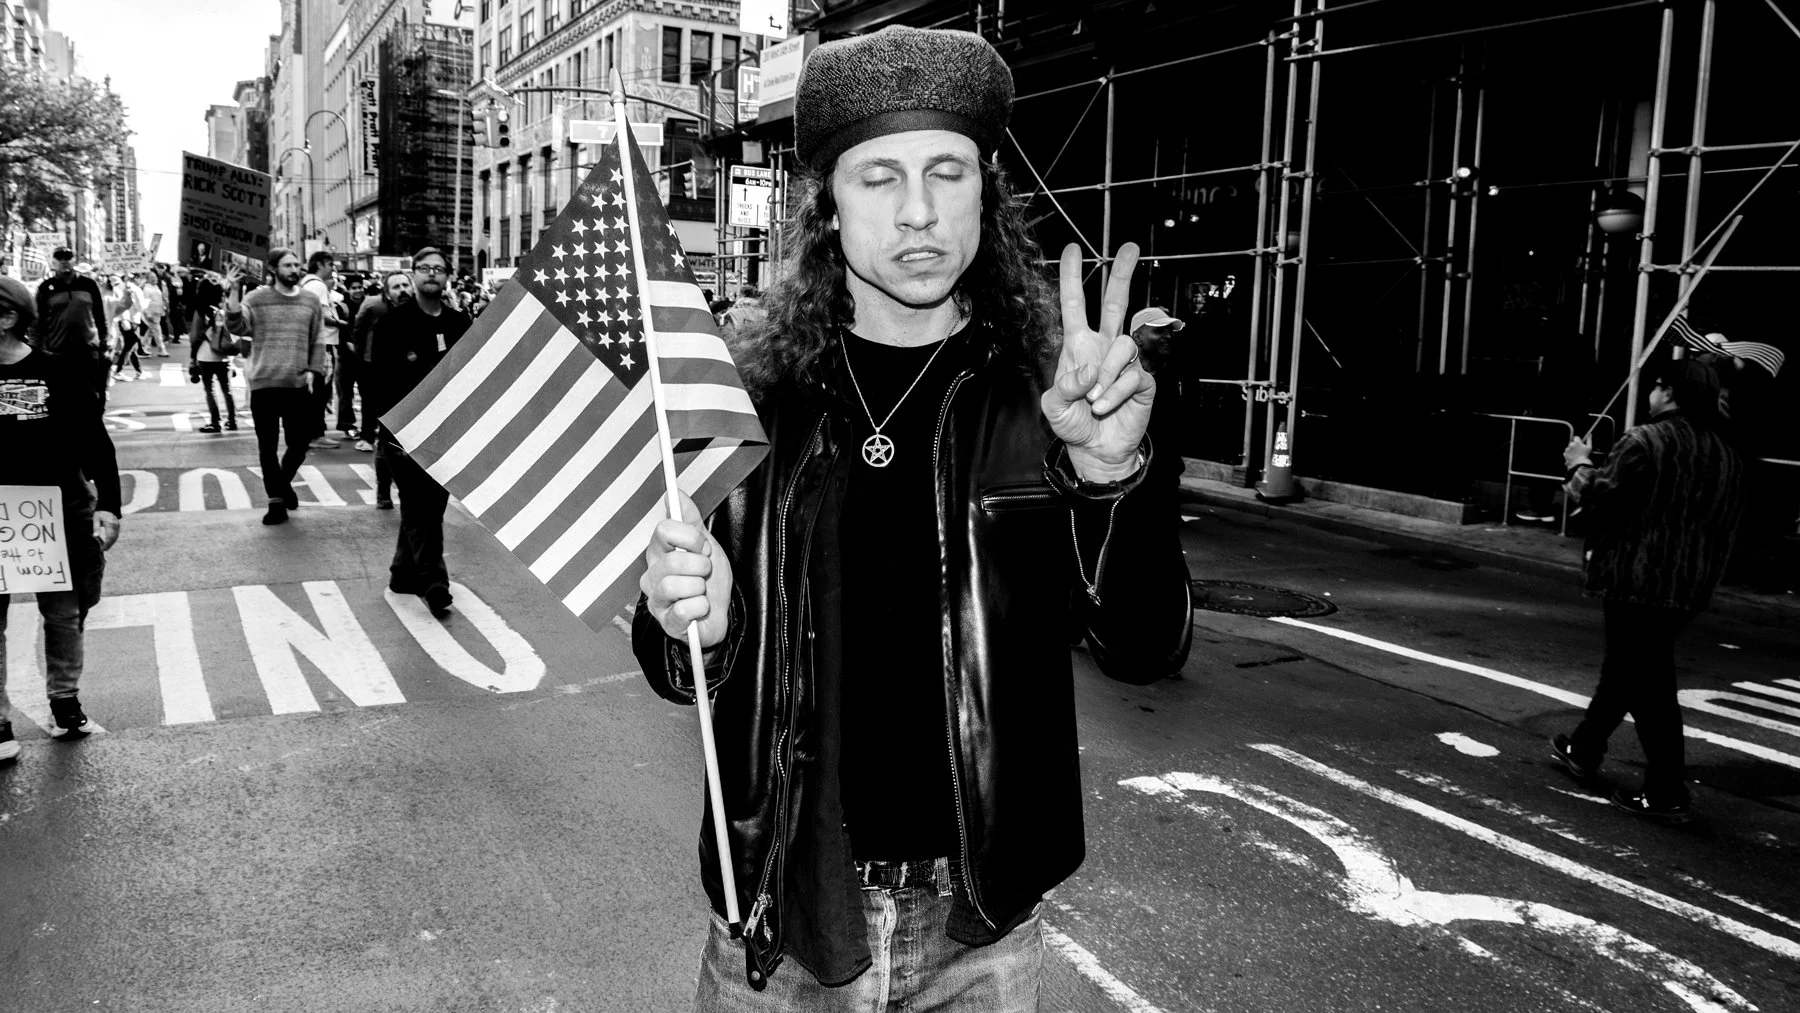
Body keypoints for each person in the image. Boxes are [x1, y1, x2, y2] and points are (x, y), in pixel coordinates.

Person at [632, 26, 1191, 1006]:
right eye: (880, 177)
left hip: (980, 927)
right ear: (827, 206)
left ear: (988, 192)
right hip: (785, 917)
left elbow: (1145, 644)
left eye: (948, 172)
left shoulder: (1057, 390)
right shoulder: (744, 397)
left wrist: (1111, 477)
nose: (921, 211)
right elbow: (675, 657)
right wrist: (700, 626)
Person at [1551, 358, 1746, 823]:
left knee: (1648, 684)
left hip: (1635, 580)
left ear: (1669, 393)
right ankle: (1584, 748)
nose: (1651, 394)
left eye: (1656, 387)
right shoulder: (1725, 455)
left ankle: (1665, 789)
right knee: (1628, 668)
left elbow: (1602, 497)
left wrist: (1579, 465)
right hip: (1690, 585)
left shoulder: (1645, 440)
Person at [0, 275, 122, 759]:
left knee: (66, 612)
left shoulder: (57, 372)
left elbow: (95, 442)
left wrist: (109, 506)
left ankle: (64, 701)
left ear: (8, 318)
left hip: (57, 508)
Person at [366, 248, 468, 615]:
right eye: (425, 268)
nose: (432, 274)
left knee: (431, 506)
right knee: (416, 505)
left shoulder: (460, 324)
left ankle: (402, 572)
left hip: (445, 436)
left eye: (439, 269)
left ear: (447, 277)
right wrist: (384, 430)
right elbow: (376, 381)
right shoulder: (392, 324)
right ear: (413, 275)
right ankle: (433, 581)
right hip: (402, 436)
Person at [224, 248, 326, 526]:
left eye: (297, 265)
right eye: (288, 265)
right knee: (267, 447)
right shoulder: (256, 298)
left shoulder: (310, 300)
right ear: (273, 270)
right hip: (264, 383)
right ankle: (276, 503)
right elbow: (237, 325)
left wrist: (315, 371)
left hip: (297, 383)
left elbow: (318, 339)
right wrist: (232, 291)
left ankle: (281, 484)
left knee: (300, 444)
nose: (295, 269)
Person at [353, 269, 414, 500]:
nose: (403, 291)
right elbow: (358, 335)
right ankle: (383, 490)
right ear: (387, 294)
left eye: (405, 285)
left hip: (412, 387)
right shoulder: (379, 315)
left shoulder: (419, 314)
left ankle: (405, 490)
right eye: (396, 287)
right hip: (382, 383)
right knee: (387, 440)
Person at [31, 247, 110, 395]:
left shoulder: (89, 285)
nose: (64, 262)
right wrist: (36, 349)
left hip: (88, 350)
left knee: (92, 395)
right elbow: (38, 322)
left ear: (74, 261)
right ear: (53, 262)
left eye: (67, 258)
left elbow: (100, 316)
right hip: (57, 351)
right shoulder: (45, 288)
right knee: (61, 396)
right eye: (60, 259)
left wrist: (104, 342)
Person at [1128, 306, 1187, 498]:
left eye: (1169, 331)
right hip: (1130, 485)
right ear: (1137, 337)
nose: (1168, 336)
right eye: (1159, 330)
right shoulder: (1122, 378)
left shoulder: (1173, 378)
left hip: (1166, 484)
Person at [301, 251, 349, 449]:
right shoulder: (318, 285)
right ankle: (316, 434)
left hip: (315, 342)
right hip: (324, 343)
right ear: (320, 264)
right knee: (321, 391)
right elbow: (320, 313)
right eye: (330, 264)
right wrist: (340, 322)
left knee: (318, 390)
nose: (333, 268)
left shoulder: (307, 283)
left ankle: (313, 431)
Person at [188, 297, 238, 433]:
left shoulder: (201, 312)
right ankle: (232, 421)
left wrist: (192, 359)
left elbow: (195, 336)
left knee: (209, 389)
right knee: (227, 390)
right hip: (224, 355)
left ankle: (215, 422)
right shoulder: (226, 312)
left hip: (206, 355)